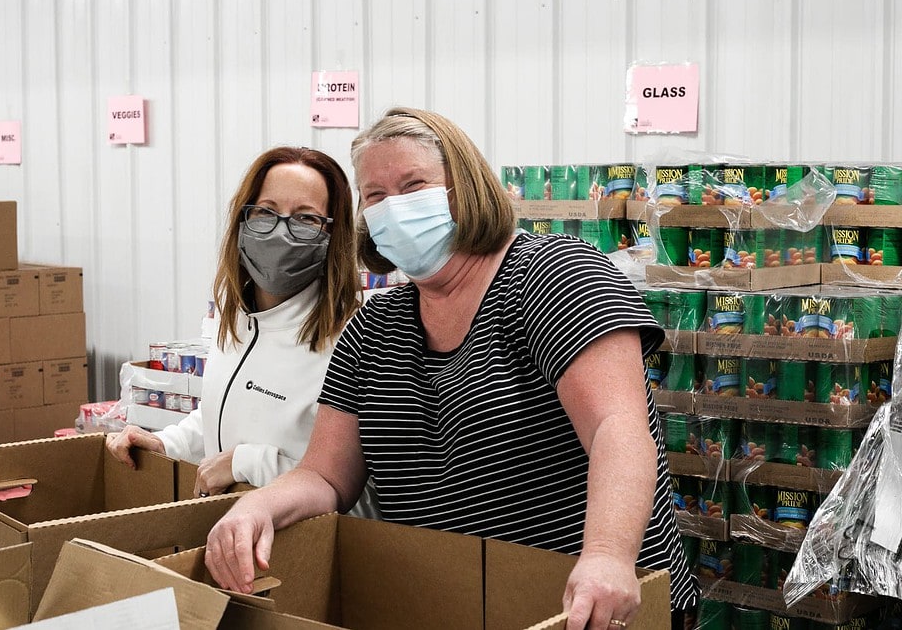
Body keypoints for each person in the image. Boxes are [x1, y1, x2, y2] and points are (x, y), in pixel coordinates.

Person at [203, 108, 697, 629]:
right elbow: (326, 475)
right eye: (374, 196)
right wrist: (259, 507)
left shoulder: (556, 278)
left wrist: (607, 554)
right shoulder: (374, 328)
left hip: (585, 606)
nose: (393, 208)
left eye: (413, 185)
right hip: (452, 601)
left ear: (464, 189)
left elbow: (616, 427)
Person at [106, 146, 376, 517]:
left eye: (305, 219)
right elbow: (221, 416)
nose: (281, 231)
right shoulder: (235, 321)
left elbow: (357, 497)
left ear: (334, 234)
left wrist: (247, 464)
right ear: (243, 220)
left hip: (305, 552)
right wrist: (166, 444)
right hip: (230, 537)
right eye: (266, 212)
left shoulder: (353, 339)